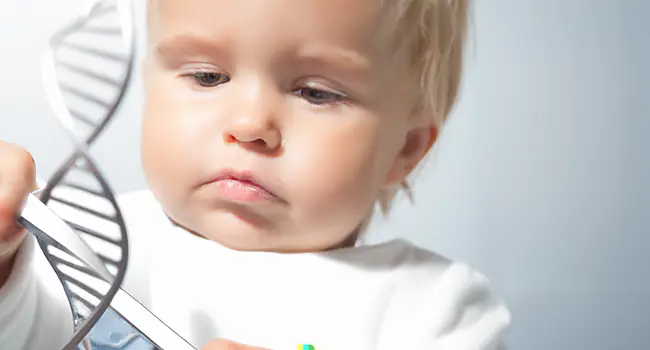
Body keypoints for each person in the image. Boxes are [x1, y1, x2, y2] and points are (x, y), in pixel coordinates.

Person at [0, 0, 511, 349]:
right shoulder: (84, 243)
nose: (248, 125)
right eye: (208, 76)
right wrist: (4, 263)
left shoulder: (435, 308)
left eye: (315, 91)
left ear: (405, 147)